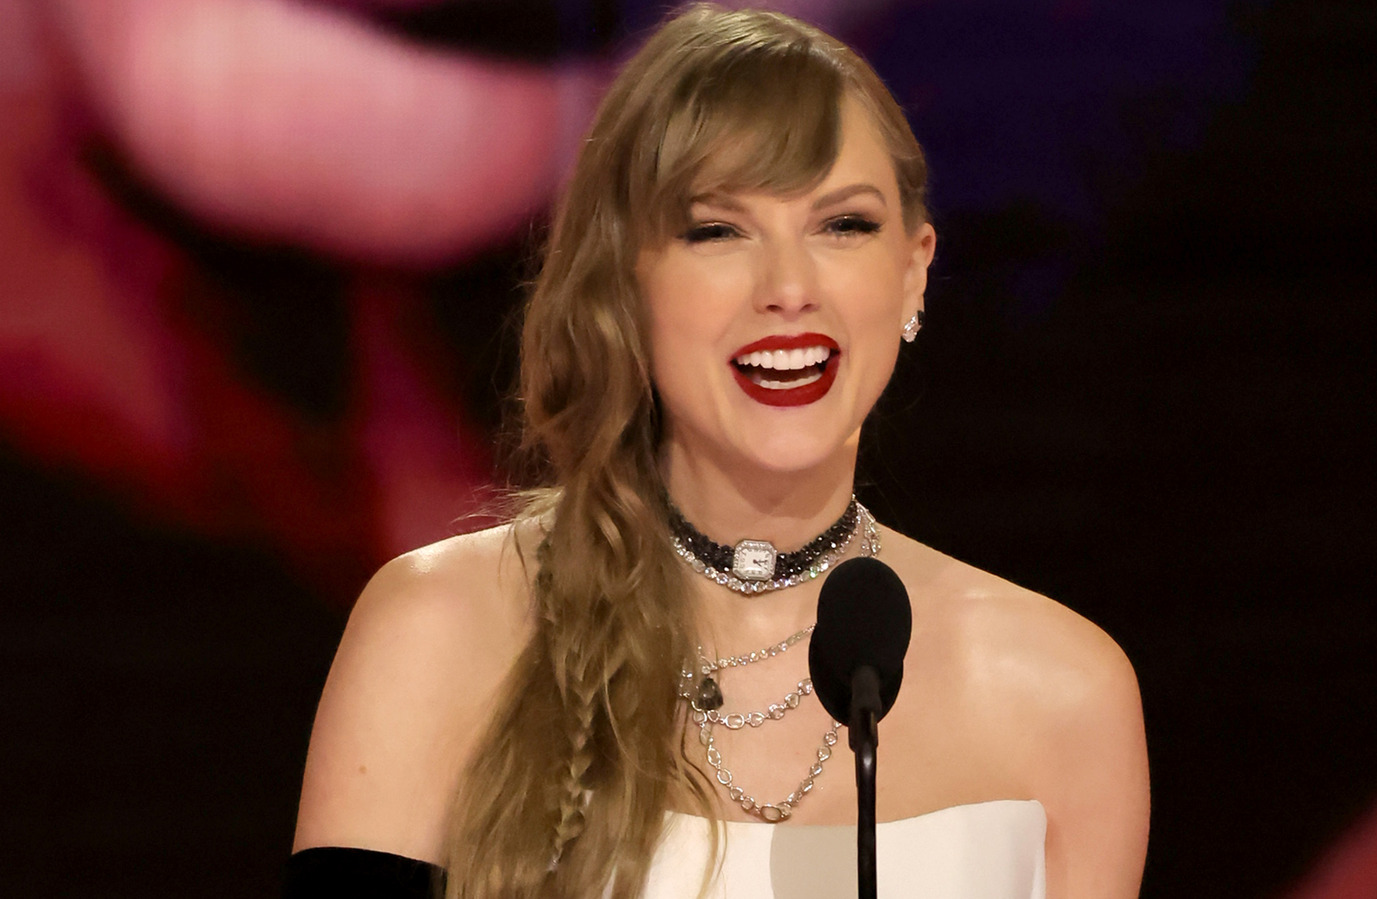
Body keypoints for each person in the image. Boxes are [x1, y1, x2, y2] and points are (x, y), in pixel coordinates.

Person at [288, 4, 1149, 897]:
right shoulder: (441, 633)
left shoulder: (1062, 695)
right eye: (717, 230)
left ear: (913, 271)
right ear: (625, 282)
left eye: (842, 225)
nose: (788, 288)